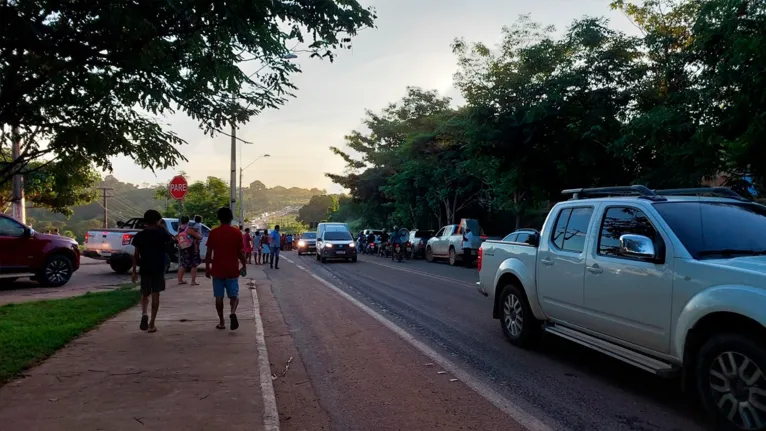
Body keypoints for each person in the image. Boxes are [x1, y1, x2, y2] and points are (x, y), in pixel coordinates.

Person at [205, 207, 247, 331]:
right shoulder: (237, 233)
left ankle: (222, 322)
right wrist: (244, 265)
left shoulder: (213, 233)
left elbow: (208, 253)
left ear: (219, 218)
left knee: (219, 297)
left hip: (217, 269)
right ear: (231, 218)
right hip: (232, 269)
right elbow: (241, 252)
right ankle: (233, 312)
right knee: (234, 295)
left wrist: (208, 268)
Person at [131, 209, 172, 333]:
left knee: (144, 293)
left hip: (145, 267)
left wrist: (134, 271)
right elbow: (172, 241)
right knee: (156, 294)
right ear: (158, 220)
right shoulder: (162, 233)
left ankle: (144, 313)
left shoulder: (140, 236)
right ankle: (152, 323)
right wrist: (162, 228)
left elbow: (136, 255)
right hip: (158, 267)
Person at [177, 215, 202, 285]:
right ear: (188, 221)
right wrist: (200, 235)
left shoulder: (180, 228)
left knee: (184, 264)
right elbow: (199, 237)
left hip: (184, 248)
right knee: (194, 264)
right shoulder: (189, 229)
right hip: (192, 248)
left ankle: (180, 280)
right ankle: (193, 281)